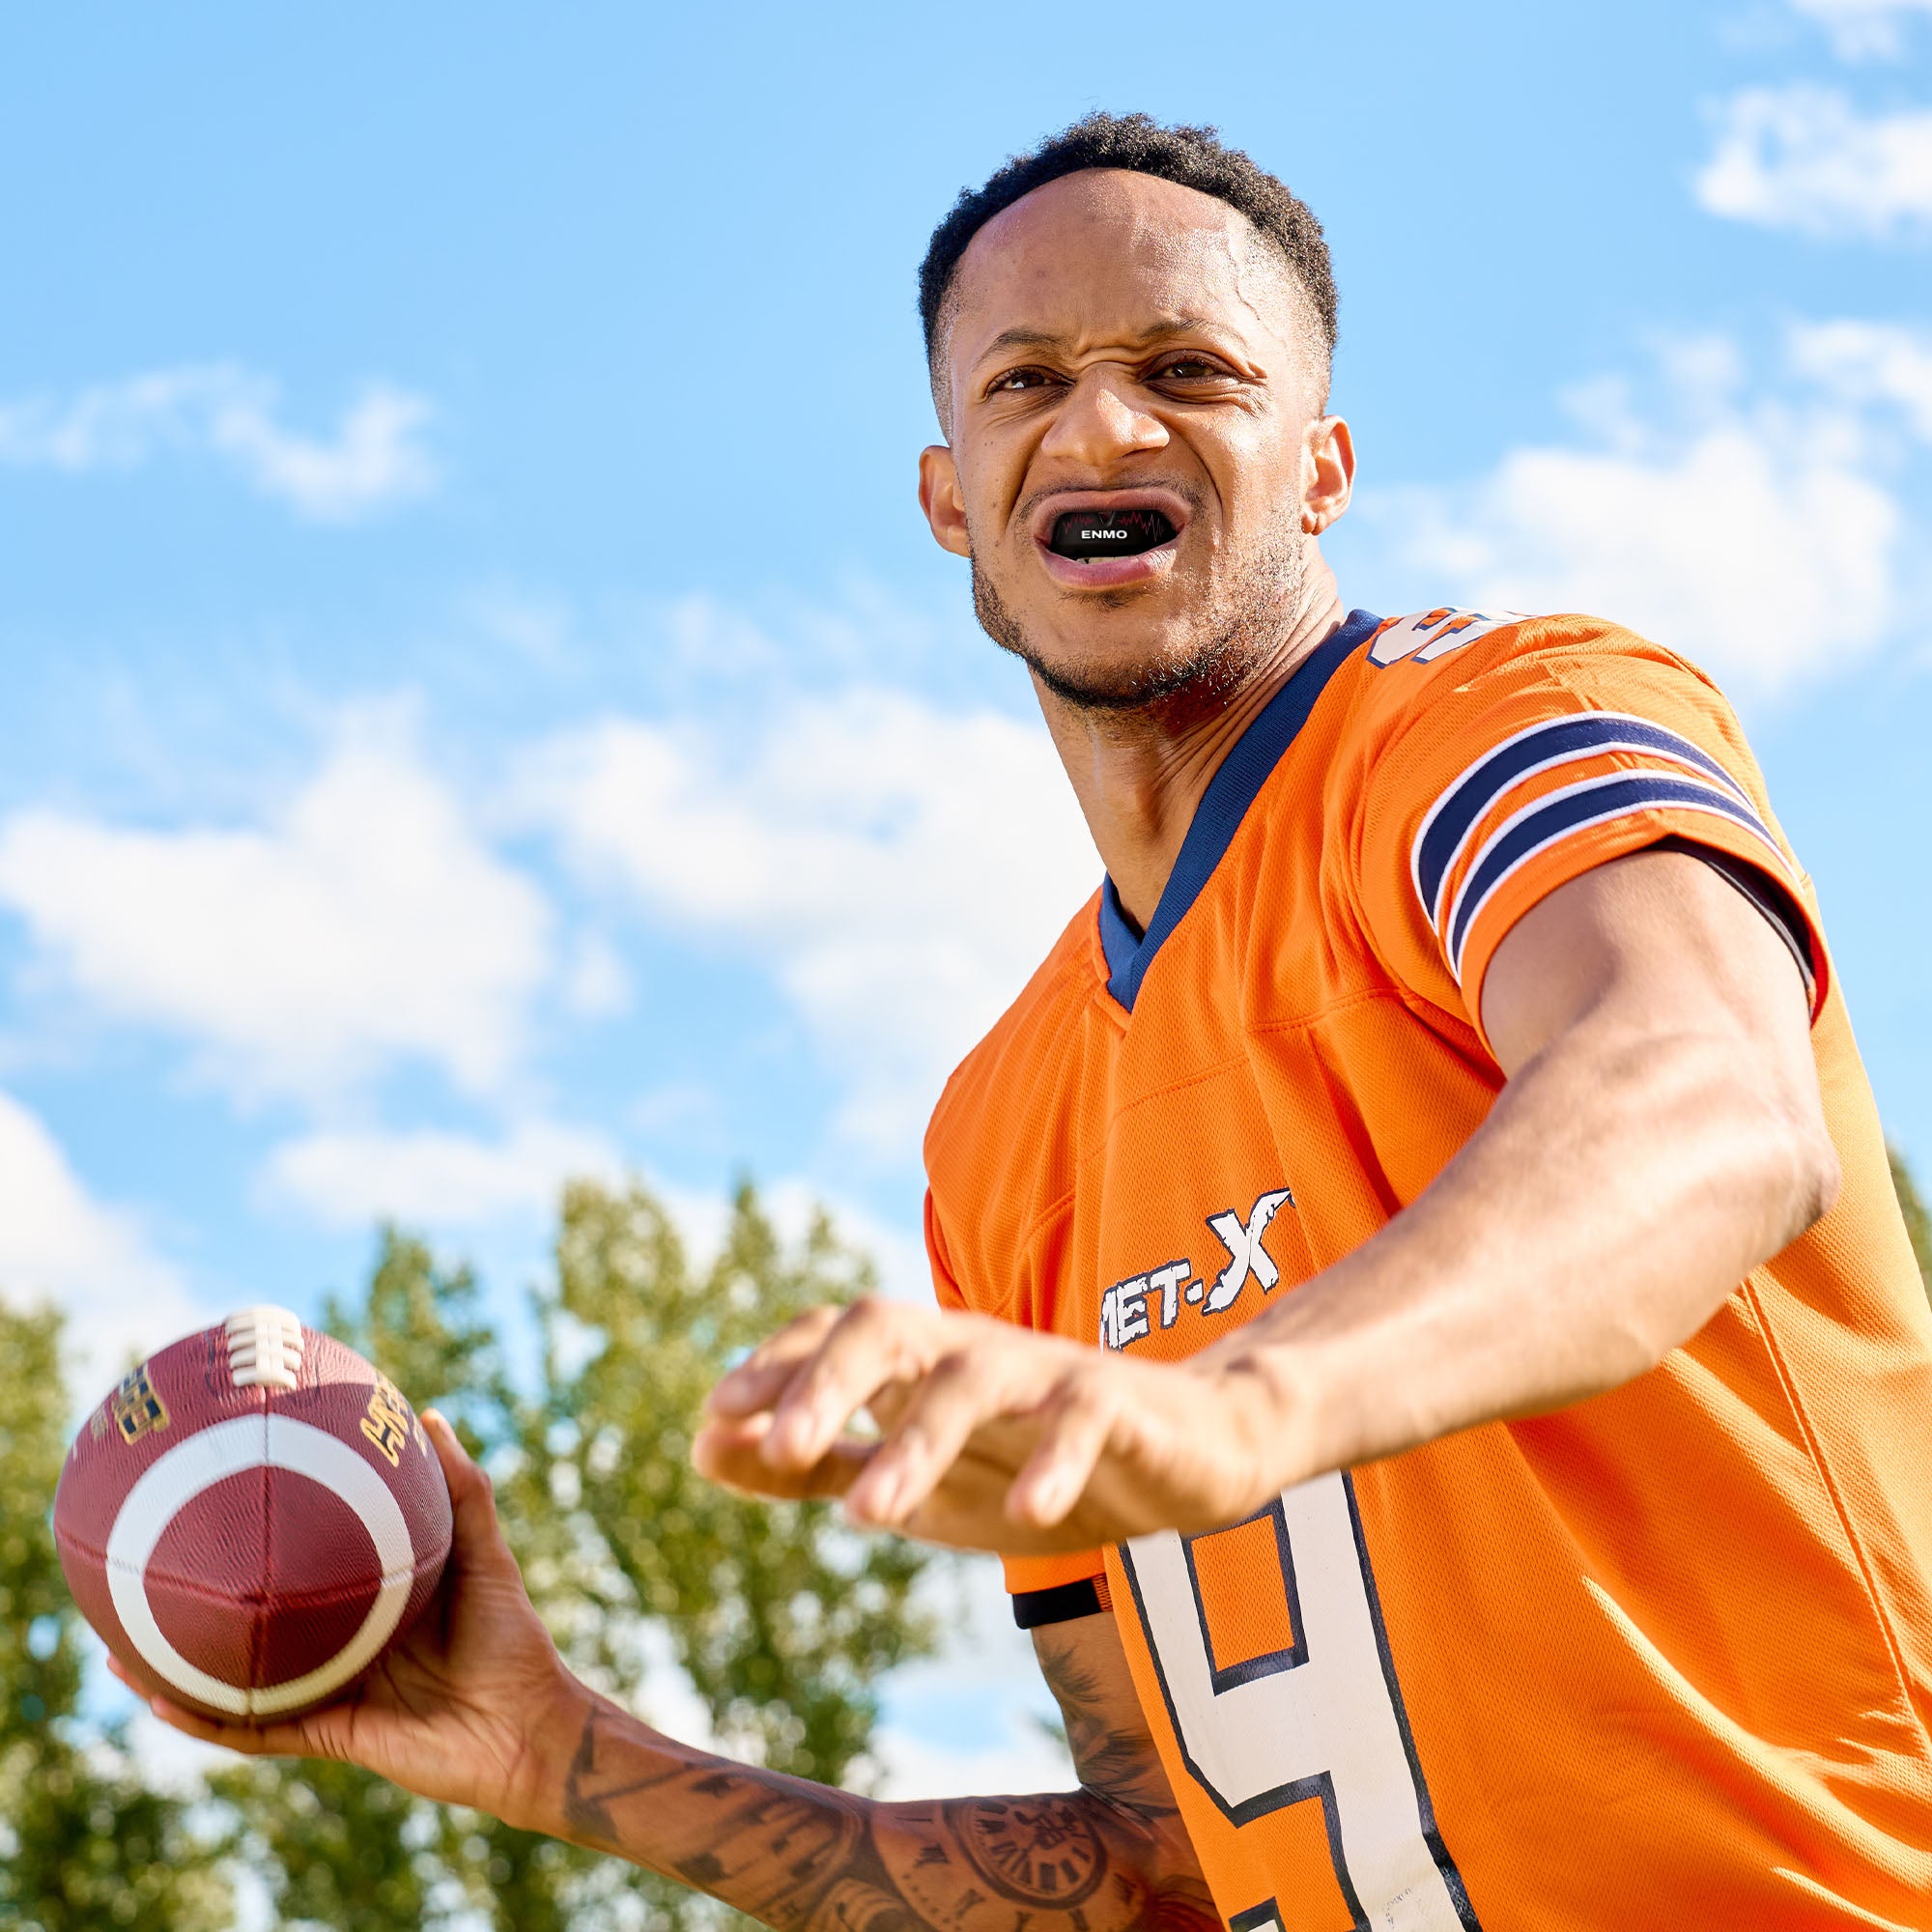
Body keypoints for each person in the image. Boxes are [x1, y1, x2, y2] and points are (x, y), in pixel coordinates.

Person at [137, 115, 1932, 1929]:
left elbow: (1709, 1092)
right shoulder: (999, 1138)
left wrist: (1244, 1408)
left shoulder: (1490, 721)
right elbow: (1162, 1870)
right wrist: (561, 1757)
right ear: (950, 500)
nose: (1103, 427)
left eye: (1187, 371)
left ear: (1321, 465)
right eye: (1029, 382)